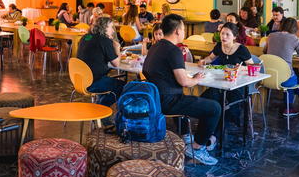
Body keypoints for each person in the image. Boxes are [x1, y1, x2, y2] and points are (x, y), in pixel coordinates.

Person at [142, 14, 221, 165]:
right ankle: (197, 148)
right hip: (169, 101)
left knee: (205, 100)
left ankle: (189, 137)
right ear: (177, 31)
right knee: (214, 108)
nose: (184, 32)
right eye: (183, 29)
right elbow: (184, 82)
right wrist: (196, 79)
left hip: (154, 99)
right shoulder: (174, 50)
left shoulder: (155, 47)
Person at [265, 18, 299, 112]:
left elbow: (265, 51)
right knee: (292, 76)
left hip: (269, 76)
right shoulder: (295, 39)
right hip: (284, 78)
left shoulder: (271, 36)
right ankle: (289, 108)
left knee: (294, 74)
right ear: (295, 28)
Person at [76, 16, 124, 106]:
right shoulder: (105, 41)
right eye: (111, 27)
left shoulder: (85, 37)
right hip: (94, 82)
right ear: (104, 28)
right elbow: (116, 64)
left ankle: (99, 107)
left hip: (79, 80)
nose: (113, 31)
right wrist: (117, 48)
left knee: (109, 83)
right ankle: (100, 108)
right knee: (123, 86)